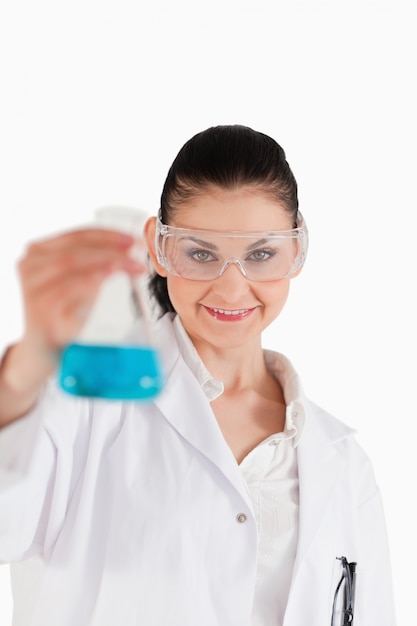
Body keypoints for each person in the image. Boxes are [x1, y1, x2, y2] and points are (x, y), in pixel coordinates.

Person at [0, 125, 395, 626]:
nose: (232, 289)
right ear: (158, 247)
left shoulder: (341, 463)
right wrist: (24, 370)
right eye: (201, 254)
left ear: (296, 251)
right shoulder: (83, 405)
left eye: (260, 254)